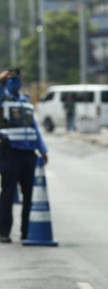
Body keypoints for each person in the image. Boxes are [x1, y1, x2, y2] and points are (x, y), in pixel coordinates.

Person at [0, 69, 49, 243]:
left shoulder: (26, 102)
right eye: (11, 79)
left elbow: (34, 126)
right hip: (9, 153)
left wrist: (42, 149)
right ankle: (3, 232)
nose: (15, 82)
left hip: (28, 154)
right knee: (8, 193)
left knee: (30, 194)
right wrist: (1, 80)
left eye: (17, 79)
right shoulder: (3, 99)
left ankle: (27, 232)